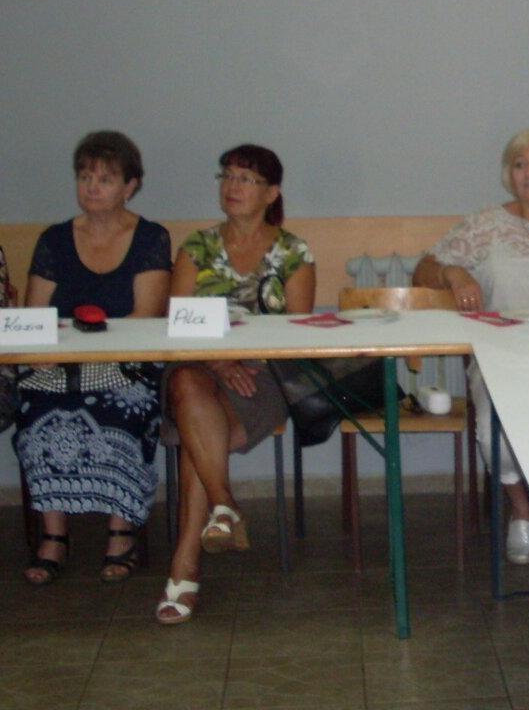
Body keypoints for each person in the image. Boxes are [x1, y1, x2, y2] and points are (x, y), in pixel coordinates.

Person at [413, 127, 529, 564]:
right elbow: (424, 269)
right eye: (519, 164)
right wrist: (455, 273)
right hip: (502, 351)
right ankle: (522, 510)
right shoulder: (488, 224)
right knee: (495, 431)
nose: (528, 172)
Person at [156, 144, 315, 625]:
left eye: (246, 179)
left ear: (271, 193)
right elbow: (179, 324)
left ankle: (188, 561)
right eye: (226, 176)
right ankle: (221, 508)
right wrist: (219, 361)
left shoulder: (294, 253)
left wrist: (238, 362)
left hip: (264, 374)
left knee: (195, 429)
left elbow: (296, 337)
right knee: (188, 384)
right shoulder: (196, 247)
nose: (232, 186)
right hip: (199, 364)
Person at [14, 131, 171, 584]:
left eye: (104, 179)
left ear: (130, 186)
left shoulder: (151, 237)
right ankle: (53, 536)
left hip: (126, 364)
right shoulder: (54, 239)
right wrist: (43, 352)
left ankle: (121, 531)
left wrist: (92, 353)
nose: (92, 187)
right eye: (85, 177)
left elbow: (145, 317)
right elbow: (36, 315)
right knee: (36, 409)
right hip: (59, 365)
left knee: (123, 410)